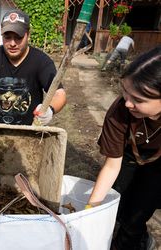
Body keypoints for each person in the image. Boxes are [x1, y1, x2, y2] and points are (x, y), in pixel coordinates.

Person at [86, 46, 161, 249]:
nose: (128, 103)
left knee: (138, 213)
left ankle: (135, 239)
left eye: (138, 99)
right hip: (129, 153)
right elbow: (111, 166)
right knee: (117, 201)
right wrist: (90, 209)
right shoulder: (120, 111)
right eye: (125, 92)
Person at [0, 9, 66, 125]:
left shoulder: (41, 61)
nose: (12, 43)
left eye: (18, 37)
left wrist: (50, 109)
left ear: (27, 35)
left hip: (31, 130)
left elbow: (59, 94)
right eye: (7, 37)